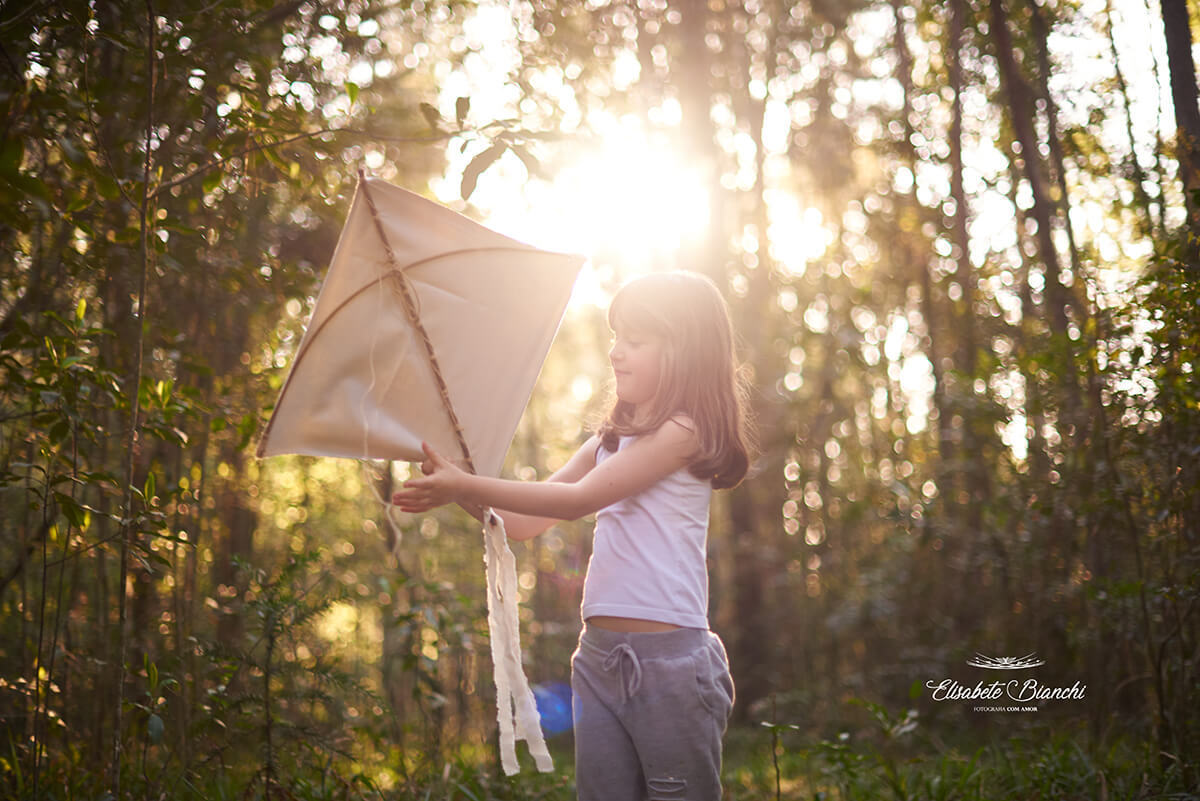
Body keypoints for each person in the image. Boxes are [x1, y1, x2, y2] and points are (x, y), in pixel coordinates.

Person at [392, 270, 754, 801]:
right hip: (598, 659)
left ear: (683, 350)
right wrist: (457, 484)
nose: (615, 352)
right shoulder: (610, 442)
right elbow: (523, 523)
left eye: (635, 340)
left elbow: (577, 500)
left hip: (669, 667)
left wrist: (463, 483)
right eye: (615, 337)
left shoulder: (685, 432)